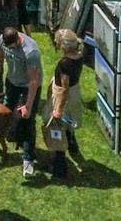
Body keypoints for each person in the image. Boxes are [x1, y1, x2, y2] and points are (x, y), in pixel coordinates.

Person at [0, 26, 42, 178]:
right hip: (12, 82)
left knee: (28, 120)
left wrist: (28, 105)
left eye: (11, 46)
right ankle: (11, 136)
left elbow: (34, 81)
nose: (9, 49)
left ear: (18, 40)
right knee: (6, 110)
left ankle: (28, 158)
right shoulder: (2, 40)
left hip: (28, 87)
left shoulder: (30, 52)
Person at [44, 29, 85, 179]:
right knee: (69, 125)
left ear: (63, 45)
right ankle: (73, 144)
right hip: (75, 93)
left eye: (57, 41)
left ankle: (59, 168)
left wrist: (58, 110)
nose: (56, 43)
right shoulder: (79, 56)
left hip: (63, 97)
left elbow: (64, 88)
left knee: (57, 130)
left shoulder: (65, 63)